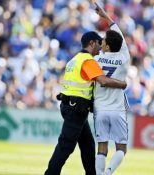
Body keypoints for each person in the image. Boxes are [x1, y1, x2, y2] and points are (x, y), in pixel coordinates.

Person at [44, 28, 127, 175]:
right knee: (66, 145)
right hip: (76, 107)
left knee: (88, 145)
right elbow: (102, 80)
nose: (101, 46)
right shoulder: (88, 60)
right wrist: (122, 84)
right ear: (92, 43)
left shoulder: (74, 59)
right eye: (99, 43)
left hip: (70, 104)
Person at [90, 1, 130, 175]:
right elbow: (117, 31)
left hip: (100, 107)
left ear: (107, 46)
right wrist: (105, 15)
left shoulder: (96, 60)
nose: (102, 41)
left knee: (102, 146)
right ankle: (108, 173)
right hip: (117, 108)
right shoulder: (124, 57)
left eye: (104, 40)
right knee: (121, 147)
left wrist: (103, 15)